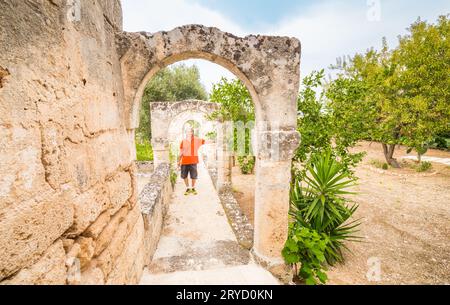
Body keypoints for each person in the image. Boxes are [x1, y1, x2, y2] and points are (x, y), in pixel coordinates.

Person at [179, 127, 205, 196]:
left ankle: (193, 188)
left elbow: (205, 141)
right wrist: (178, 161)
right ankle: (187, 188)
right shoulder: (183, 141)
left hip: (193, 161)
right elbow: (181, 152)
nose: (189, 133)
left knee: (194, 176)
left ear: (192, 132)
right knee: (184, 176)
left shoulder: (197, 139)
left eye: (190, 131)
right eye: (187, 131)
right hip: (184, 161)